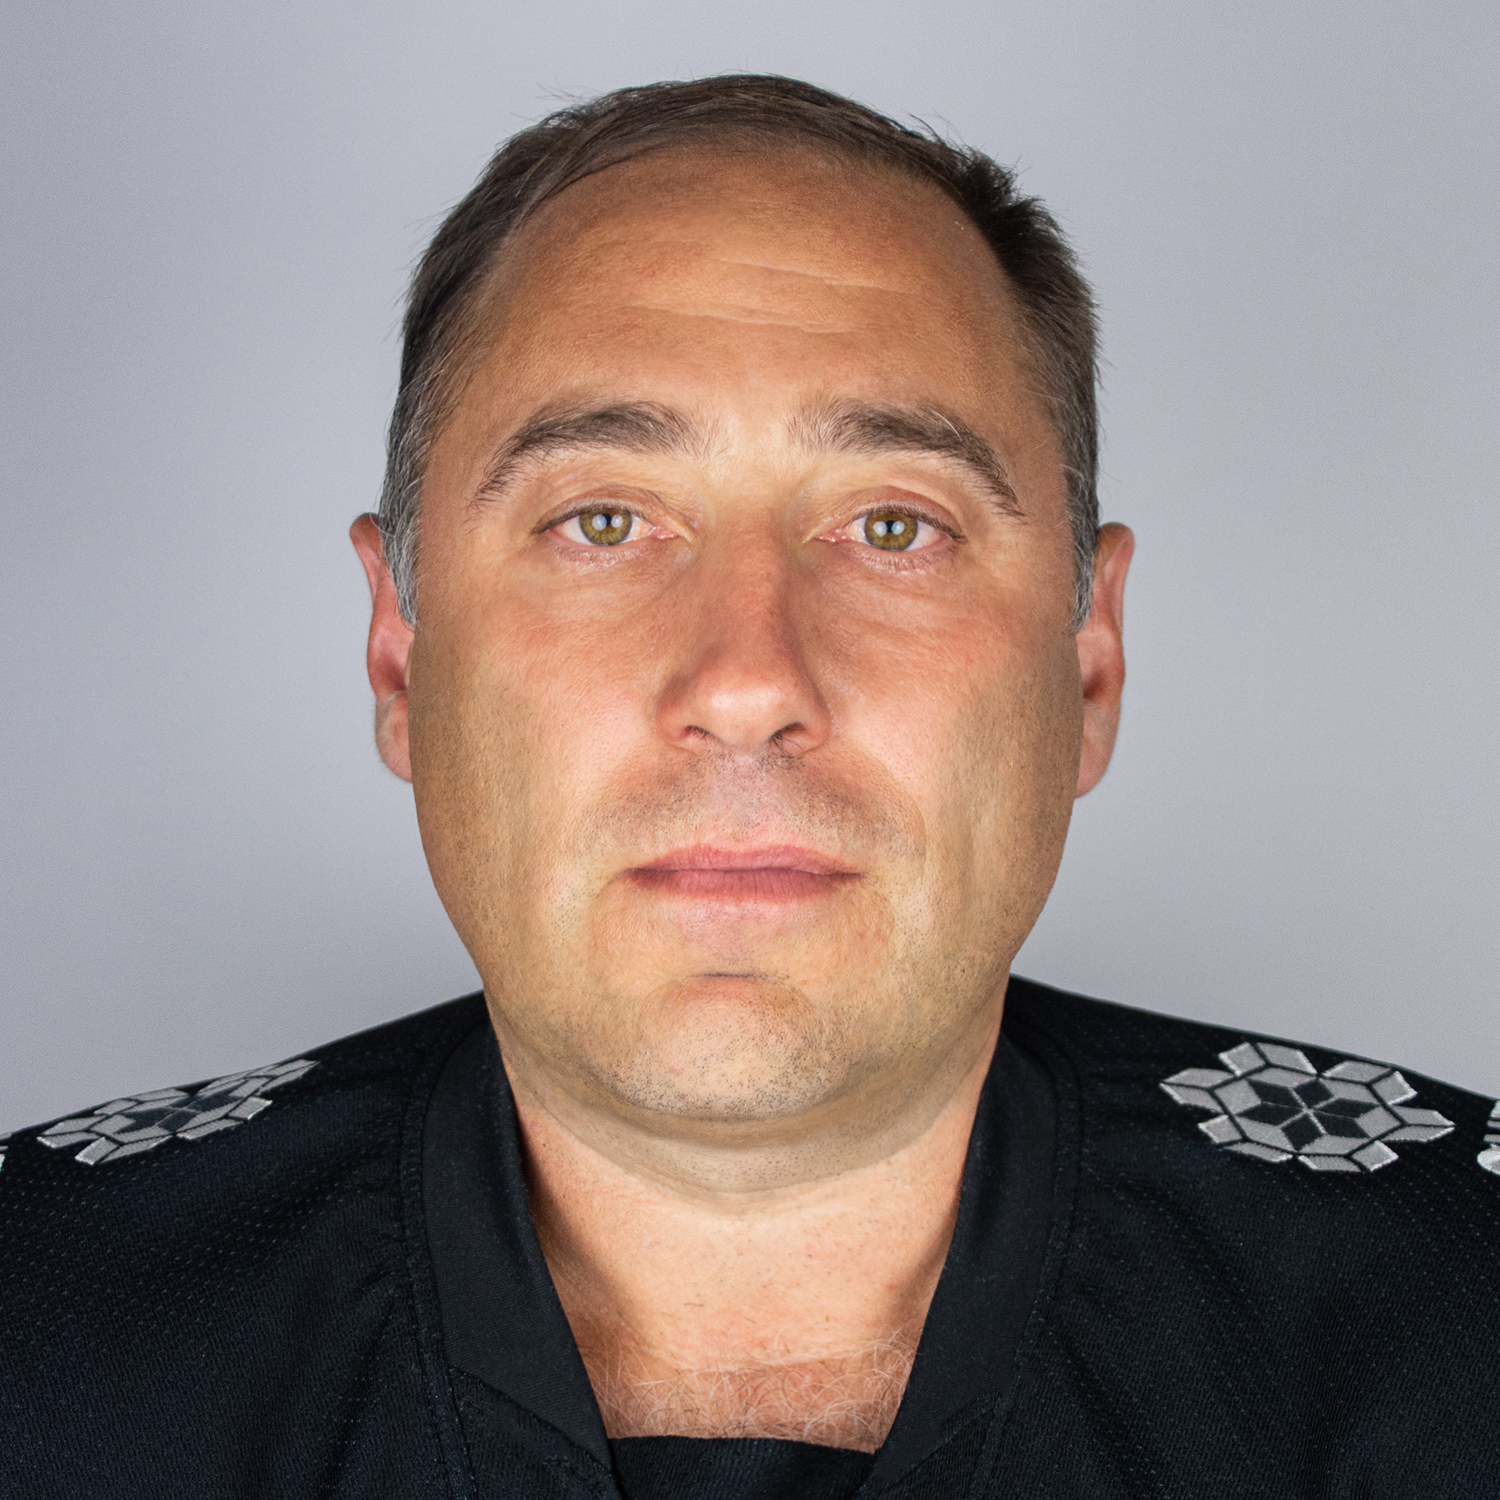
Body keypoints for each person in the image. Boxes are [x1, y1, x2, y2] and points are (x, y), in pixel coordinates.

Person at [2, 74, 1495, 1500]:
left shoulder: (1460, 1305)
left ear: (1087, 666)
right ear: (402, 652)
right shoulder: (44, 1316)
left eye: (895, 527)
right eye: (602, 520)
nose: (747, 679)